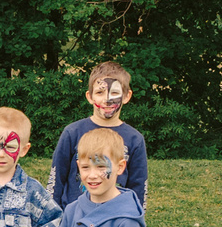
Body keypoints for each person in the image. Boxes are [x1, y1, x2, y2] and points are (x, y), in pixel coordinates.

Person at [47, 61, 150, 210]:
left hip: (114, 220)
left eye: (114, 93)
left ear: (127, 96)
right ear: (90, 97)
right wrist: (52, 219)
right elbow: (56, 181)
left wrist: (135, 221)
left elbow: (139, 187)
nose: (107, 99)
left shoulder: (135, 139)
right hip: (74, 221)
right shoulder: (72, 132)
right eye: (100, 92)